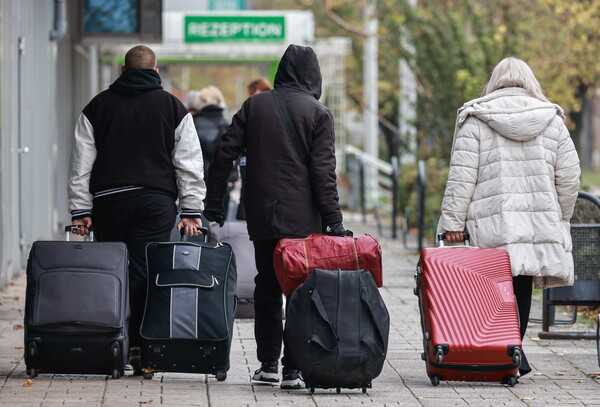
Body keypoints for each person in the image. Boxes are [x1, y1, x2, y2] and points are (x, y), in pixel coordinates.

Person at [203, 44, 351, 389]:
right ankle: (294, 369)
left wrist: (213, 202)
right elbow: (322, 173)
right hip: (303, 223)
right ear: (314, 75)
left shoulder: (255, 105)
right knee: (301, 291)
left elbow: (224, 153)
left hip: (263, 217)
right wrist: (334, 220)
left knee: (267, 286)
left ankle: (268, 364)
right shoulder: (318, 113)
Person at [439, 57, 581, 378]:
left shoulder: (476, 119)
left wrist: (452, 224)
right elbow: (570, 177)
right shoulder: (552, 120)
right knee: (522, 283)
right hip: (536, 223)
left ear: (495, 82)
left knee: (493, 286)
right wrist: (560, 216)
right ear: (531, 82)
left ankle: (501, 351)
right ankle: (513, 351)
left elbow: (462, 178)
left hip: (491, 221)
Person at [67, 45, 205, 373]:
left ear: (122, 71)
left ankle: (115, 343)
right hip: (155, 203)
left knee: (114, 270)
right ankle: (143, 348)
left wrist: (80, 210)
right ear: (155, 72)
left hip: (109, 201)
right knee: (146, 272)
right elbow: (188, 162)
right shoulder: (173, 107)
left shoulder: (97, 106)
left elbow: (81, 165)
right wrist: (191, 210)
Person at [236, 78, 273, 221]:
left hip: (250, 158)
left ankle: (245, 218)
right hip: (267, 159)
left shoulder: (251, 107)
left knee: (248, 191)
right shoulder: (277, 106)